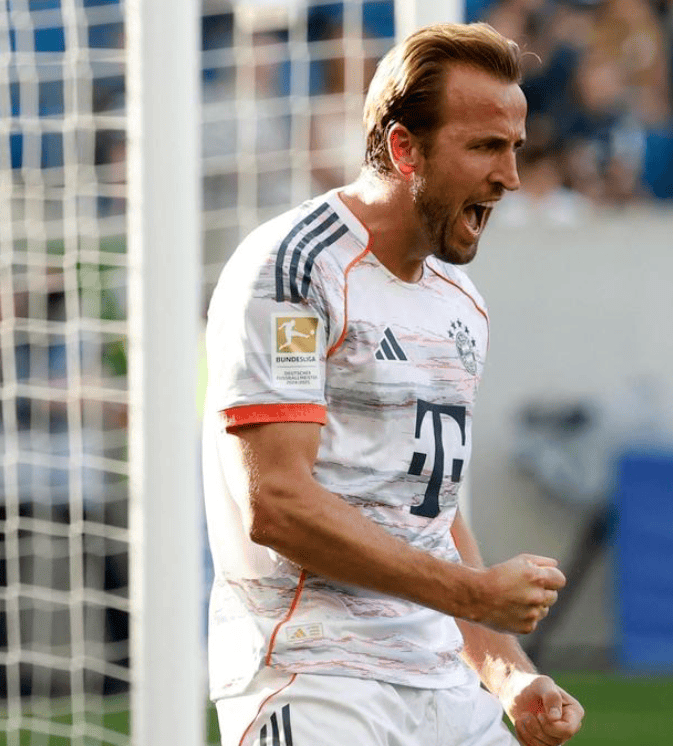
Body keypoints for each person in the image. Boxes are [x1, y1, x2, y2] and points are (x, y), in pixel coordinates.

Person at [203, 23, 584, 746]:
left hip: (441, 680)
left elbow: (429, 513)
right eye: (485, 147)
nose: (510, 176)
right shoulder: (294, 270)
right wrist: (475, 593)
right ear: (405, 148)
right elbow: (278, 504)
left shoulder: (460, 303)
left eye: (515, 148)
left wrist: (508, 674)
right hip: (313, 673)